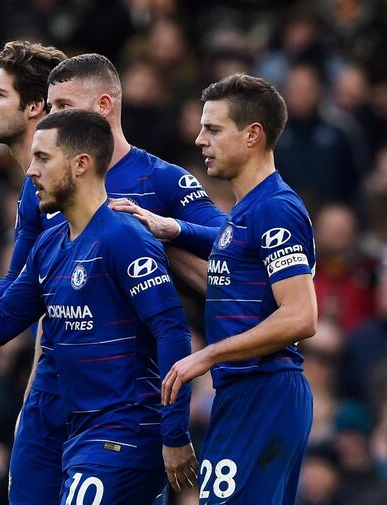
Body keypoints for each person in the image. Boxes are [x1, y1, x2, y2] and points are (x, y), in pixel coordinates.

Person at [0, 109, 198, 504]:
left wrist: (173, 432)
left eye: (43, 158)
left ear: (81, 164)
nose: (31, 171)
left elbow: (172, 331)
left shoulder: (124, 238)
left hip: (125, 431)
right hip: (75, 431)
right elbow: (2, 323)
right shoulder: (50, 244)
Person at [0, 51, 224, 503]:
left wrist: (169, 230)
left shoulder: (161, 179)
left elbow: (232, 242)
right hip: (52, 393)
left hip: (126, 400)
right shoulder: (43, 188)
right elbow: (23, 288)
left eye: (64, 108)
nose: (51, 118)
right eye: (50, 107)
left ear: (104, 106)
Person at [160, 74, 317, 504]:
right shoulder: (245, 213)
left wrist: (207, 355)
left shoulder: (274, 208)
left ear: (252, 135)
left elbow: (301, 316)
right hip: (249, 391)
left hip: (263, 389)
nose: (198, 140)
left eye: (212, 129)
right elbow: (229, 293)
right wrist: (163, 240)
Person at [0, 39, 67, 505]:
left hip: (110, 404)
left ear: (35, 107)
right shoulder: (33, 193)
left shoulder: (90, 187)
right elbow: (24, 298)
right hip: (53, 393)